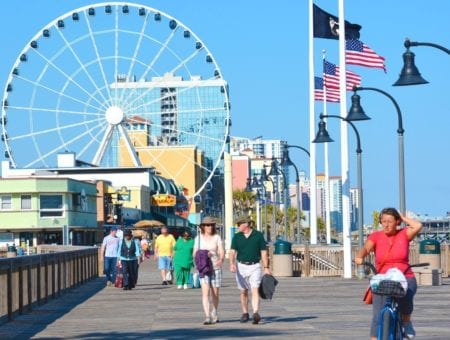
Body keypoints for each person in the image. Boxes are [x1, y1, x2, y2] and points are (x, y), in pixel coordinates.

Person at [355, 207, 422, 340]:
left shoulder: (404, 234)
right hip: (383, 277)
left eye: (390, 221)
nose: (386, 224)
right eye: (383, 221)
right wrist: (360, 256)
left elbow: (418, 225)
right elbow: (366, 248)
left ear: (397, 222)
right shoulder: (376, 236)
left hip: (404, 276)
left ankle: (407, 322)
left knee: (406, 299)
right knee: (377, 314)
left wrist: (402, 217)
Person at [229, 215, 271, 325]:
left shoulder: (258, 236)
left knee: (255, 289)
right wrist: (232, 264)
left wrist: (266, 267)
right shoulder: (236, 237)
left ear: (246, 224)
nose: (237, 226)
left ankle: (256, 313)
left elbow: (264, 252)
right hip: (241, 266)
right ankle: (245, 313)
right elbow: (232, 252)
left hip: (255, 266)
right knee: (243, 291)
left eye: (239, 224)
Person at [193, 216, 225, 325]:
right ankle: (207, 316)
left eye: (211, 225)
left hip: (215, 267)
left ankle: (214, 312)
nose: (209, 227)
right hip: (204, 268)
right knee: (205, 293)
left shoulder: (217, 237)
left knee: (215, 293)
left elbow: (221, 251)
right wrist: (203, 254)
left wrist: (220, 258)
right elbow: (194, 253)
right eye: (207, 225)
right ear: (203, 226)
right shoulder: (198, 238)